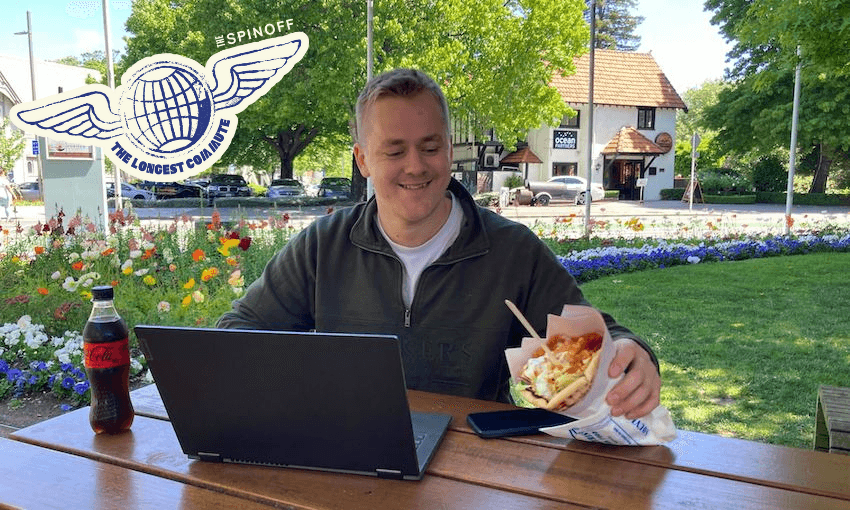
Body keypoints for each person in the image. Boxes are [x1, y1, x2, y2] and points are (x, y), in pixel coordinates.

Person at [217, 68, 661, 419]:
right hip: (353, 454)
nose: (415, 166)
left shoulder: (512, 251)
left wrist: (633, 354)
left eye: (430, 148)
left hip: (477, 468)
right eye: (394, 151)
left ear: (449, 149)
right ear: (363, 159)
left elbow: (594, 339)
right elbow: (237, 334)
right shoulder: (323, 247)